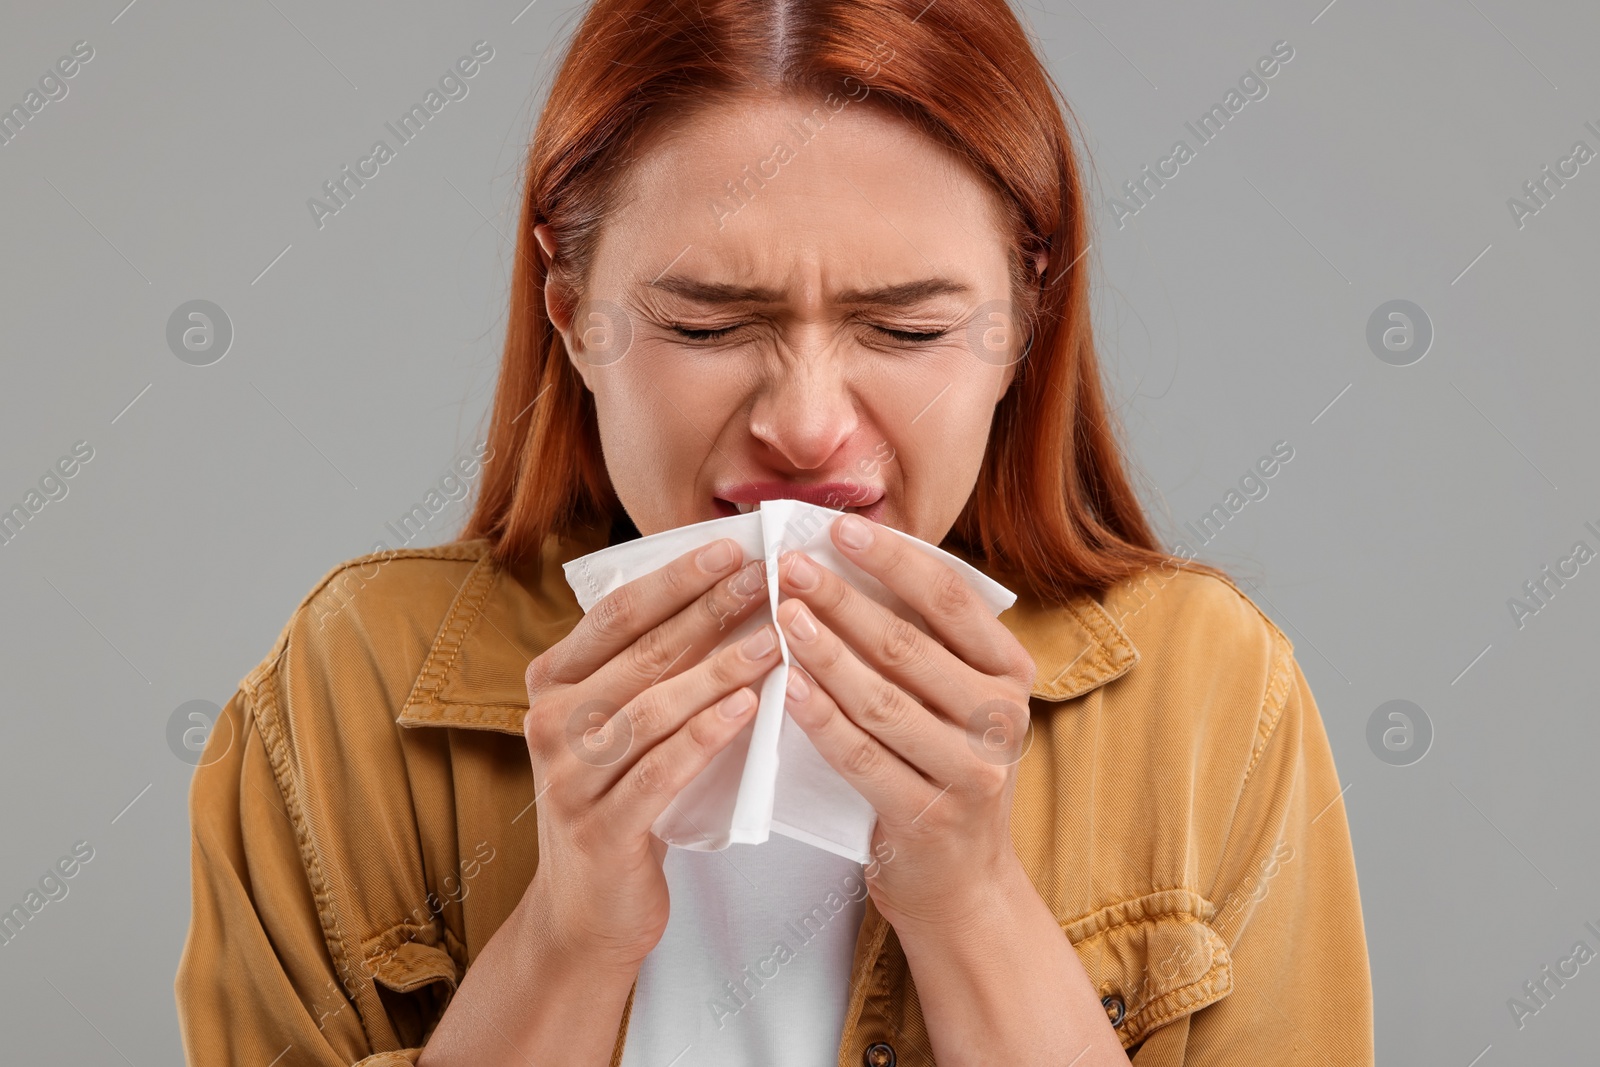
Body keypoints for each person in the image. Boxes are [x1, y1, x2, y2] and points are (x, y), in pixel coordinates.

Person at [174, 0, 1373, 1063]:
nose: (803, 427)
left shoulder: (1211, 692)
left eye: (904, 332)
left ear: (1021, 325)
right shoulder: (349, 687)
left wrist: (970, 900)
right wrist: (569, 931)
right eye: (705, 325)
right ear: (575, 316)